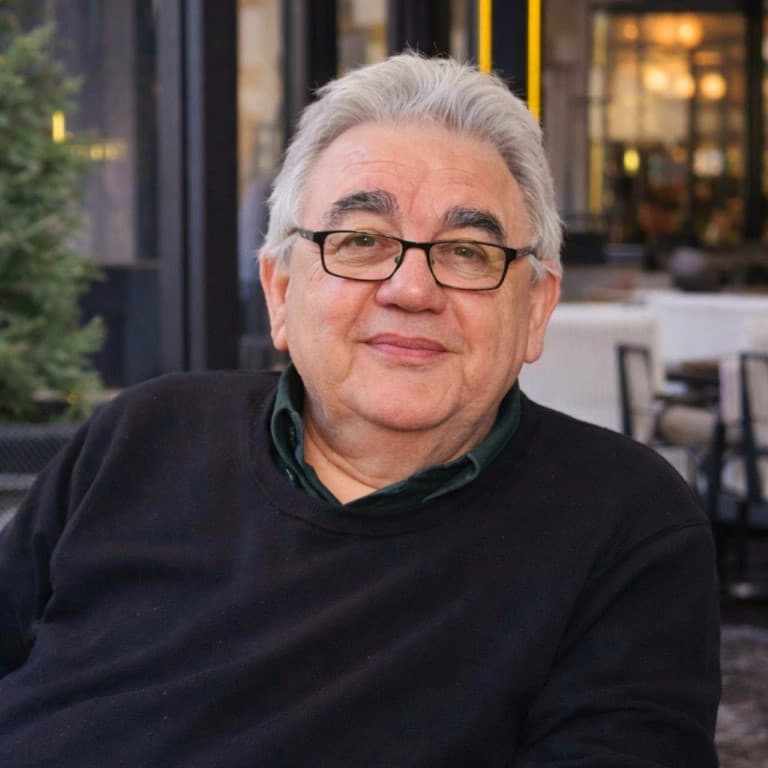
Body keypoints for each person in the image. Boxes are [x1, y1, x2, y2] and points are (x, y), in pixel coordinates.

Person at [0, 54, 720, 767]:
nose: (412, 290)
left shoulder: (624, 525)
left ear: (535, 308)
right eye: (362, 241)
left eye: (467, 252)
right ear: (281, 291)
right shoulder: (141, 436)